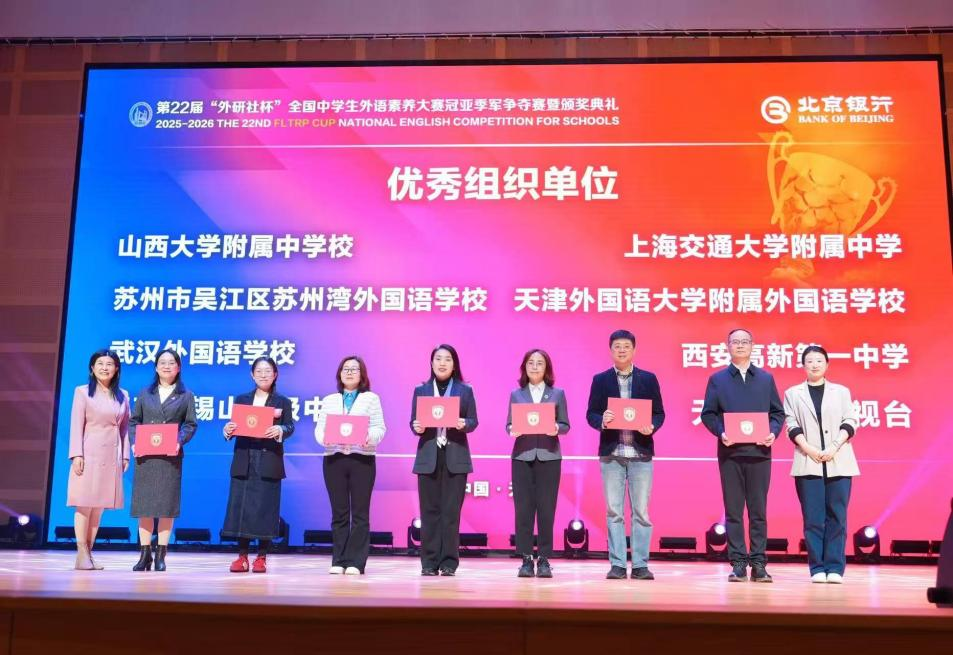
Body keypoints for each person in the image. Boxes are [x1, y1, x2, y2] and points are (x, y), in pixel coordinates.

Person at [701, 328, 785, 583]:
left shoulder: (765, 379)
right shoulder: (718, 379)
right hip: (731, 454)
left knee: (758, 512)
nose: (740, 345)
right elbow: (708, 414)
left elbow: (777, 413)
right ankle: (738, 563)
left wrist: (772, 432)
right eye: (735, 342)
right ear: (727, 346)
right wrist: (721, 432)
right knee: (734, 512)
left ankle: (759, 563)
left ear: (752, 345)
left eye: (744, 341)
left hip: (760, 453)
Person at [586, 330, 665, 581]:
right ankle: (618, 564)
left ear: (634, 350)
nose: (621, 350)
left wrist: (652, 426)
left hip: (640, 453)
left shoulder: (648, 379)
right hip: (612, 454)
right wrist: (602, 420)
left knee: (641, 512)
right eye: (617, 346)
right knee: (614, 512)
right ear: (611, 350)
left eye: (626, 346)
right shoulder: (600, 380)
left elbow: (659, 413)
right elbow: (591, 414)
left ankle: (640, 564)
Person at [783, 345, 860, 584]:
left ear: (827, 364)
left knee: (837, 517)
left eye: (819, 360)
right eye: (809, 361)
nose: (814, 365)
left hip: (839, 460)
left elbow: (851, 420)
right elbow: (791, 424)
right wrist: (809, 449)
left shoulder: (841, 392)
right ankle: (817, 568)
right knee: (813, 519)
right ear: (803, 365)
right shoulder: (793, 393)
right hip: (808, 461)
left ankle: (835, 568)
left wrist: (834, 446)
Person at [221, 356, 295, 573]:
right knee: (241, 508)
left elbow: (290, 426)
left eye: (268, 371)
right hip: (245, 457)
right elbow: (235, 425)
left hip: (268, 458)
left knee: (265, 509)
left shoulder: (282, 402)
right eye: (259, 371)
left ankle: (261, 557)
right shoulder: (242, 399)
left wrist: (281, 430)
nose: (263, 375)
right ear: (252, 375)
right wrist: (228, 430)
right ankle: (242, 556)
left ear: (275, 375)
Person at [410, 344, 478, 576]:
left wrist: (463, 423)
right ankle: (429, 563)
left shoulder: (464, 390)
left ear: (454, 364)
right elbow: (413, 422)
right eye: (438, 359)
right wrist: (417, 427)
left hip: (455, 456)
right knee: (429, 512)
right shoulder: (421, 390)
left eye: (447, 359)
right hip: (428, 456)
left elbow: (473, 421)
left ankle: (449, 562)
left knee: (451, 513)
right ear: (431, 363)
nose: (442, 363)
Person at [314, 355, 386, 575]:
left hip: (362, 459)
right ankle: (339, 559)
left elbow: (379, 428)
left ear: (362, 374)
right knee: (339, 513)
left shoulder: (371, 399)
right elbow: (320, 428)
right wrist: (324, 439)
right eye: (345, 369)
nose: (349, 372)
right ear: (339, 374)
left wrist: (369, 438)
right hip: (334, 459)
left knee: (360, 513)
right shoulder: (329, 400)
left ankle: (356, 562)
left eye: (354, 369)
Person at [128, 348, 197, 572]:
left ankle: (161, 554)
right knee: (145, 507)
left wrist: (179, 441)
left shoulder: (186, 395)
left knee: (167, 507)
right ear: (156, 367)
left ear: (178, 368)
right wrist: (134, 443)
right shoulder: (145, 393)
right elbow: (134, 421)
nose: (166, 366)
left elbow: (190, 424)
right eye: (162, 362)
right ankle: (144, 554)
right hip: (146, 457)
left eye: (171, 363)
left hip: (170, 457)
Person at [506, 348, 569, 578]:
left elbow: (565, 424)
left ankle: (543, 559)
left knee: (546, 509)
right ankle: (525, 558)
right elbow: (509, 425)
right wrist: (512, 430)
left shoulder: (557, 394)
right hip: (522, 457)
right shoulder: (517, 394)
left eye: (539, 363)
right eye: (530, 362)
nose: (534, 366)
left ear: (546, 368)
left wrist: (556, 428)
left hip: (549, 456)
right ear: (524, 367)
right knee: (523, 509)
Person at [67, 349, 130, 570]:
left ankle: (89, 553)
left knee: (99, 507)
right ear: (92, 368)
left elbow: (125, 429)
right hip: (89, 453)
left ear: (116, 369)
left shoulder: (123, 395)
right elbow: (76, 424)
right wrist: (76, 454)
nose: (105, 367)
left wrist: (125, 455)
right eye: (100, 364)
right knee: (84, 504)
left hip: (111, 456)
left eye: (109, 364)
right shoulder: (82, 392)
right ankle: (81, 551)